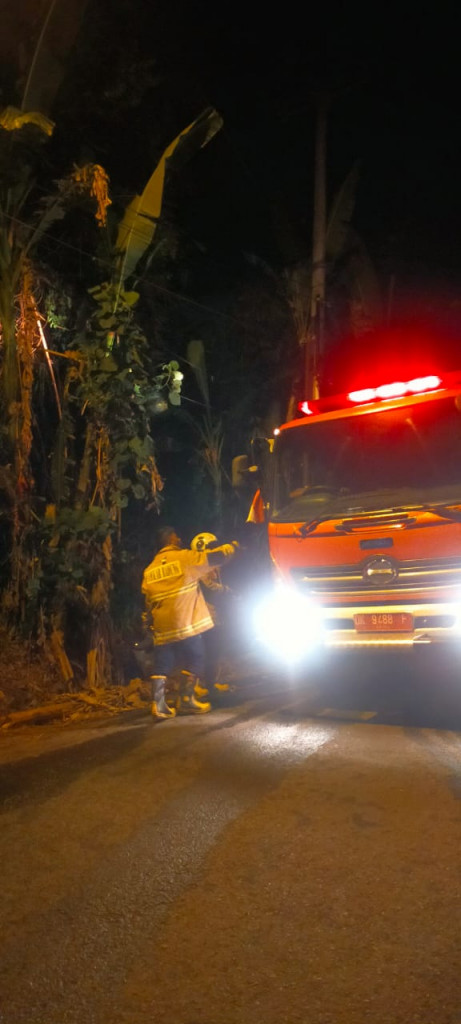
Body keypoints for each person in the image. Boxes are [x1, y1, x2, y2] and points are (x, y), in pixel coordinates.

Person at [136, 526, 238, 720]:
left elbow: (147, 601)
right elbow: (214, 557)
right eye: (176, 537)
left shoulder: (149, 570)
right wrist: (233, 546)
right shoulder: (185, 558)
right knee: (196, 658)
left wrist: (147, 625)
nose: (180, 540)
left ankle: (158, 705)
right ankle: (186, 699)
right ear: (171, 540)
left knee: (162, 664)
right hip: (186, 622)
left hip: (163, 625)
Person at [190, 533, 235, 696]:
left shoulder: (209, 563)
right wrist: (227, 591)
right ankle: (198, 685)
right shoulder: (202, 565)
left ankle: (210, 683)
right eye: (212, 546)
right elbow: (209, 586)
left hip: (212, 612)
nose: (215, 549)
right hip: (204, 613)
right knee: (205, 651)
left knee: (213, 650)